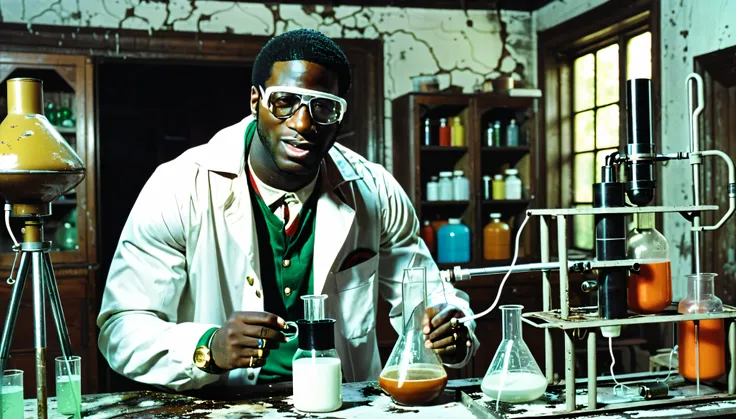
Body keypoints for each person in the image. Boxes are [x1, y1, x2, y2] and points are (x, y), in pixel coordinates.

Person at [97, 28, 479, 391]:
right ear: (255, 101)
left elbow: (428, 296)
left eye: (324, 108)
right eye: (284, 101)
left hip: (340, 400)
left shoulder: (375, 190)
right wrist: (208, 348)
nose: (302, 123)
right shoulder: (179, 186)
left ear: (340, 115)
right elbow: (121, 328)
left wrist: (450, 327)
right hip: (221, 401)